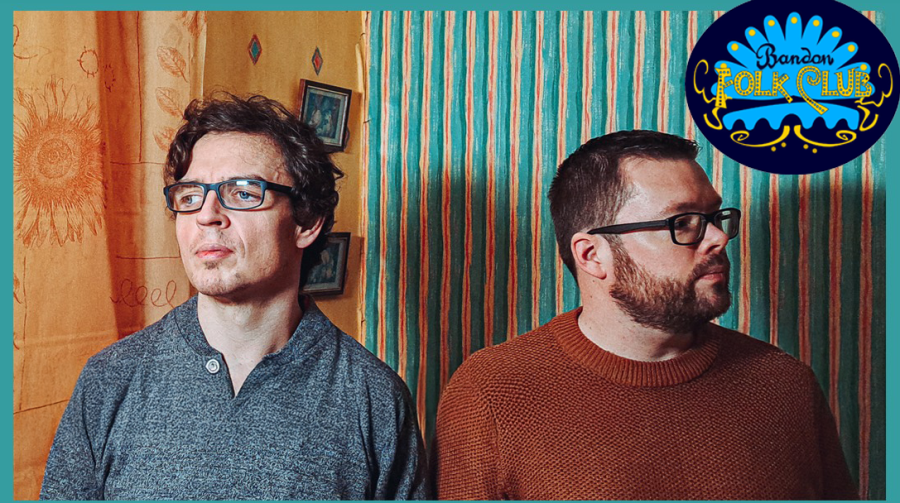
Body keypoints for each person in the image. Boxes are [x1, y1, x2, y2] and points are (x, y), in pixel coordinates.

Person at [431, 130, 857, 500]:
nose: (717, 237)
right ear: (592, 255)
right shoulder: (491, 394)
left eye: (714, 217)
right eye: (683, 222)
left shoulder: (786, 385)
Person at [41, 94, 428, 500]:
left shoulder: (374, 398)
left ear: (307, 222)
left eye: (243, 193)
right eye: (190, 196)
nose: (207, 215)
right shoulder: (109, 379)